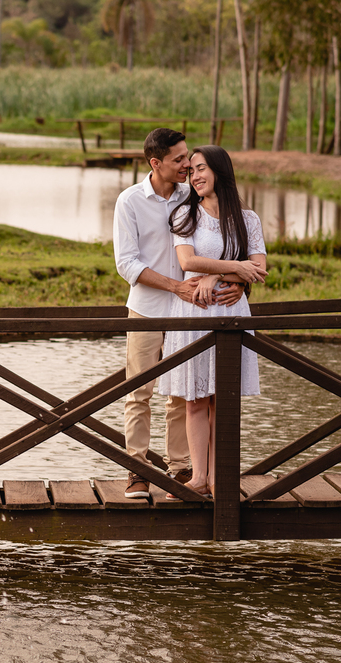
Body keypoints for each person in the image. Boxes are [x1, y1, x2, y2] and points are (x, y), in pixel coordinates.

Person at [113, 128, 244, 500]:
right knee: (139, 392)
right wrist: (176, 286)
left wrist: (240, 282)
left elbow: (231, 242)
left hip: (192, 313)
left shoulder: (194, 195)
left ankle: (181, 467)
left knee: (182, 396)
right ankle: (137, 471)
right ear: (156, 163)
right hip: (148, 308)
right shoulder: (130, 201)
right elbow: (126, 263)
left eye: (189, 157)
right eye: (179, 159)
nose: (188, 165)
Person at [157, 145, 267, 497]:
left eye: (201, 168)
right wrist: (234, 270)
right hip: (195, 314)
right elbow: (188, 261)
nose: (195, 176)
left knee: (224, 398)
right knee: (194, 400)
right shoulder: (184, 216)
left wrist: (230, 281)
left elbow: (260, 268)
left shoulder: (248, 219)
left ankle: (220, 477)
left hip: (231, 314)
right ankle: (198, 477)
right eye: (191, 172)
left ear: (220, 170)